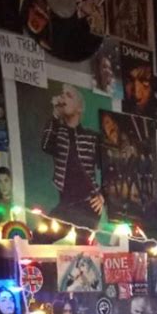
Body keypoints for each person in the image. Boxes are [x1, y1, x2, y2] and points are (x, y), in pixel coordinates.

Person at [41, 83, 103, 234]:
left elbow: (110, 168)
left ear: (79, 107)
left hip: (89, 203)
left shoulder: (92, 137)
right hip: (66, 203)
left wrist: (103, 196)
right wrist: (55, 115)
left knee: (83, 250)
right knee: (41, 237)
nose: (63, 98)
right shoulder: (57, 131)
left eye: (69, 95)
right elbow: (46, 145)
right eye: (62, 94)